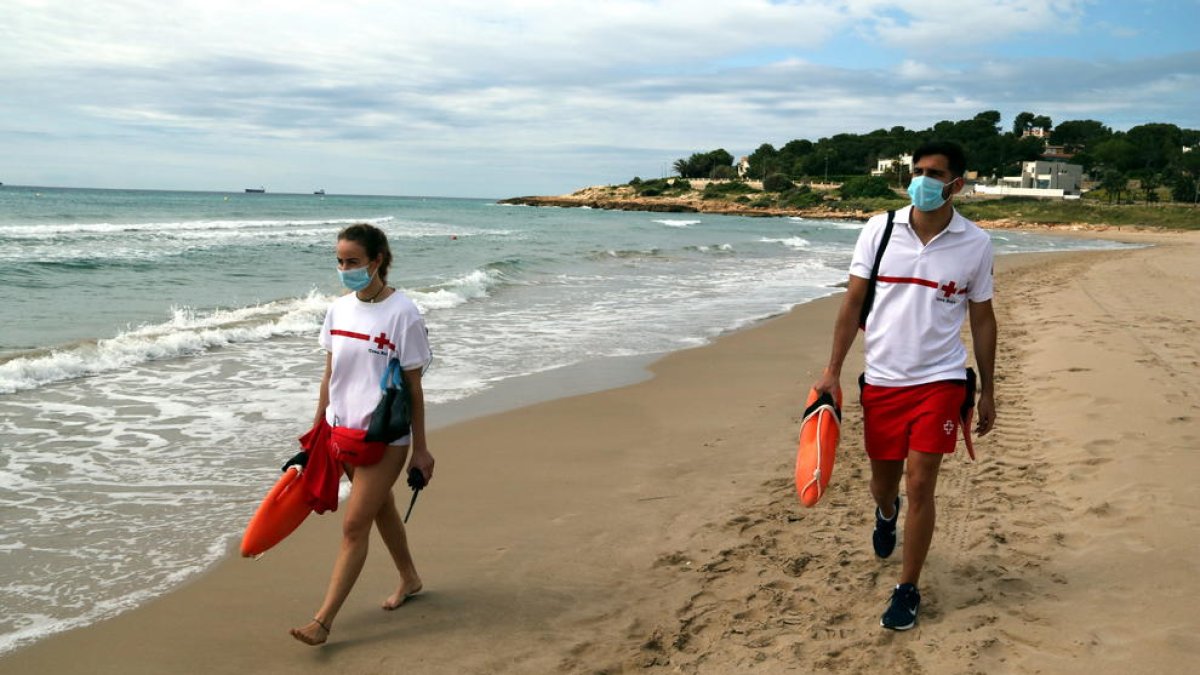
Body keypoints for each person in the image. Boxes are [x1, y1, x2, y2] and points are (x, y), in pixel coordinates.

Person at [812, 140, 997, 631]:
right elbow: (853, 304)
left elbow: (982, 318)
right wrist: (832, 371)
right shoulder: (880, 229)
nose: (922, 180)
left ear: (957, 184)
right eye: (917, 170)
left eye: (934, 173)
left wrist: (988, 388)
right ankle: (886, 513)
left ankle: (908, 587)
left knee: (922, 483)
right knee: (884, 483)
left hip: (941, 379)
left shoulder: (975, 243)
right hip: (883, 380)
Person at [290, 223, 434, 646]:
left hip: (385, 436)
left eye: (352, 261)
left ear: (377, 261)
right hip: (342, 431)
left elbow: (414, 388)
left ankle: (323, 622)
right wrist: (319, 428)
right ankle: (410, 578)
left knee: (355, 524)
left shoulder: (403, 313)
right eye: (339, 261)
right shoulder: (338, 310)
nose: (344, 268)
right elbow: (329, 373)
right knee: (381, 508)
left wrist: (420, 450)